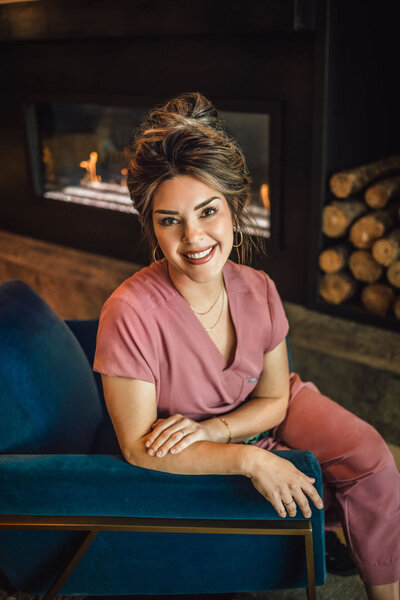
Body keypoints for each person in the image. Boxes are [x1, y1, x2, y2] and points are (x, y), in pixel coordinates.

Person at [94, 92, 400, 600]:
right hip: (188, 446)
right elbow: (137, 447)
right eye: (169, 219)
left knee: (370, 455)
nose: (193, 237)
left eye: (207, 211)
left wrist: (223, 427)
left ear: (235, 208)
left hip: (262, 412)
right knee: (287, 473)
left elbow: (276, 399)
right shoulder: (128, 311)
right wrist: (248, 459)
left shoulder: (258, 286)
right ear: (151, 226)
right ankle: (326, 529)